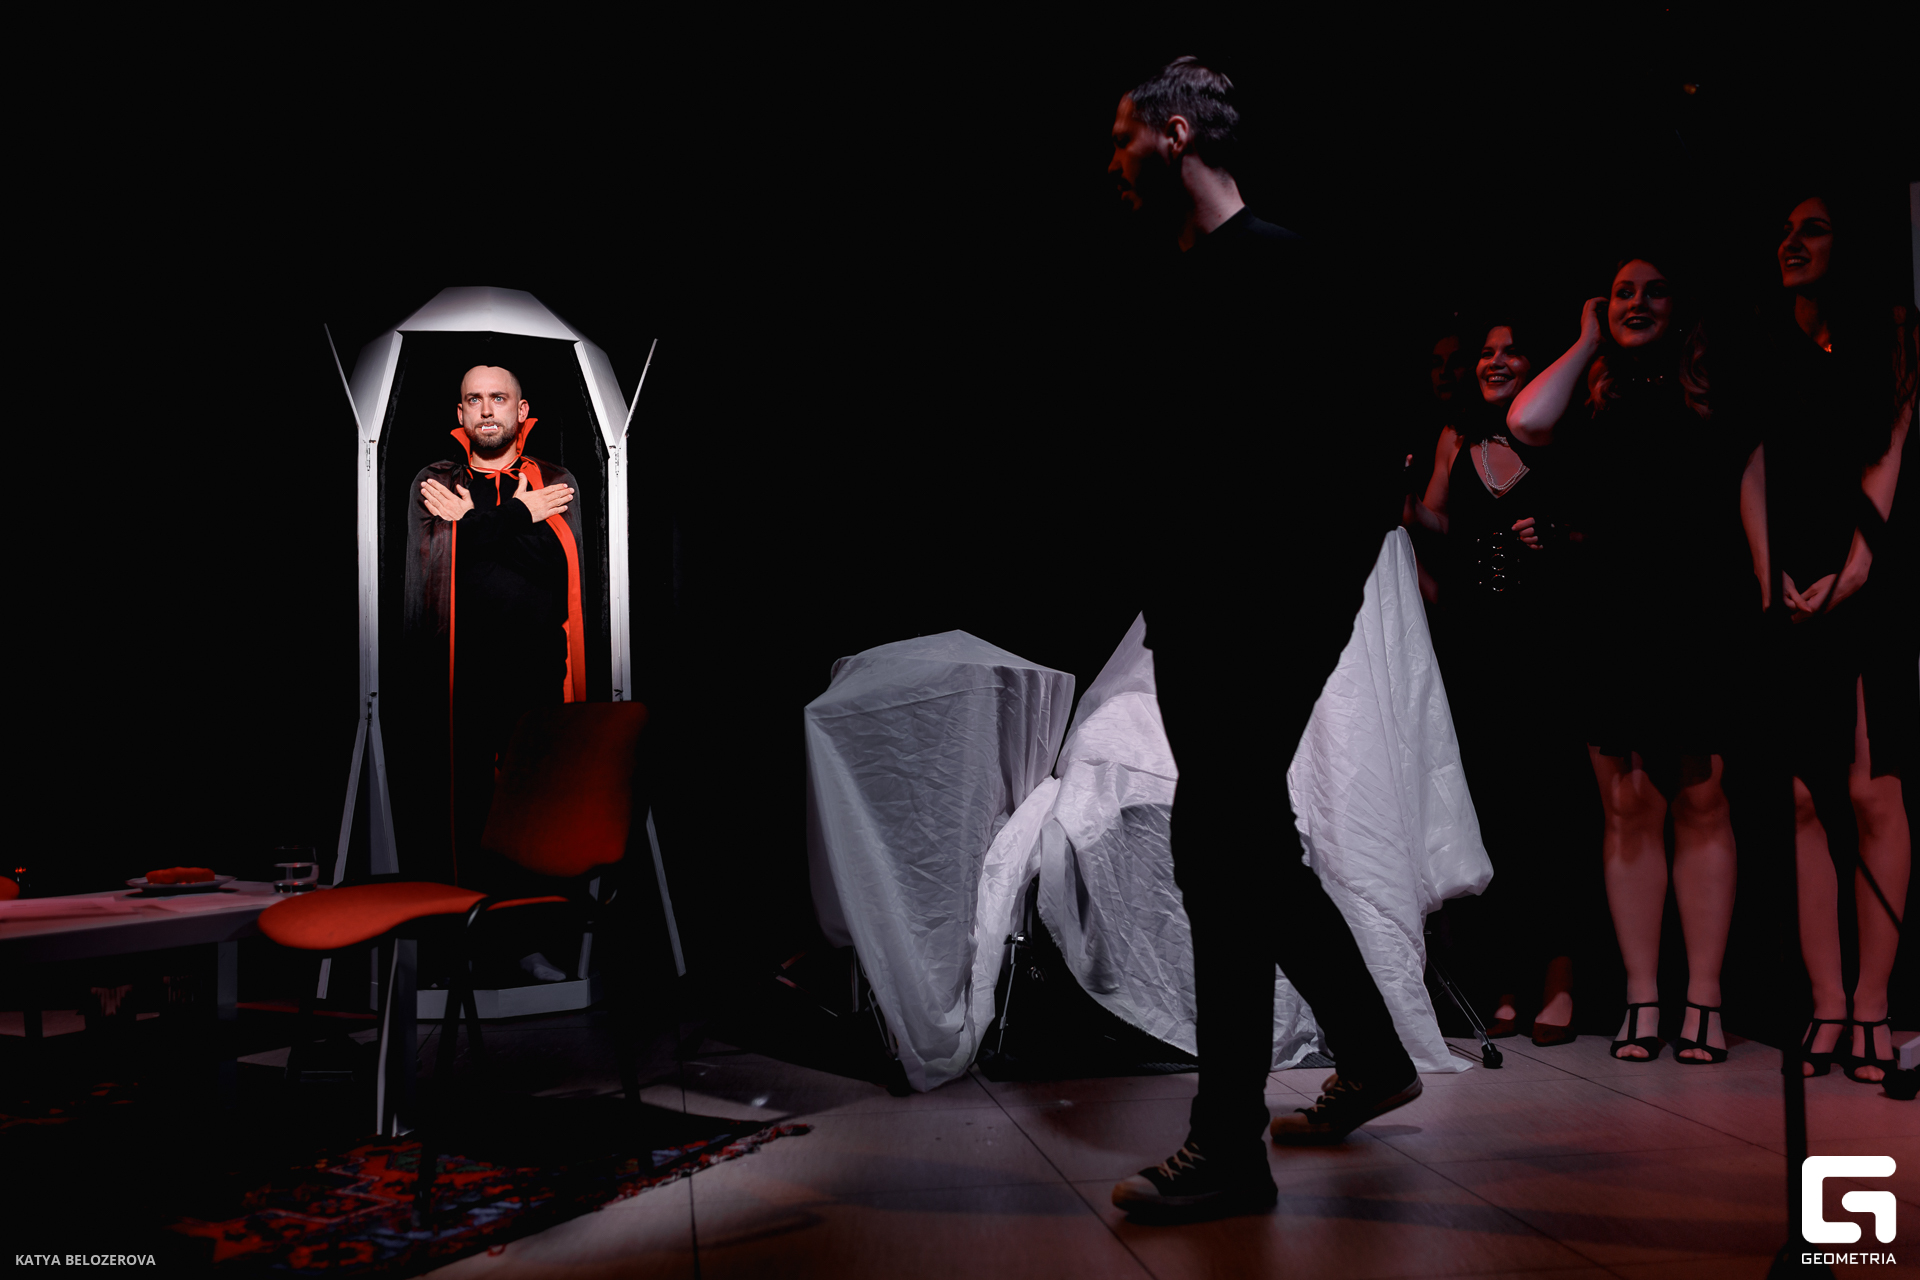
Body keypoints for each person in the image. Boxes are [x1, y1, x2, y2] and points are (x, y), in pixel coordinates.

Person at [1102, 56, 1420, 1222]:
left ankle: (1228, 1144)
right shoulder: (1176, 281)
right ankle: (1371, 1054)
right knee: (1244, 848)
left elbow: (1367, 461)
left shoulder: (1282, 266)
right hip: (1199, 620)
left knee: (1221, 849)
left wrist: (1299, 614)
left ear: (1177, 134)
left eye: (1124, 136)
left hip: (1260, 623)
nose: (1112, 161)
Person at [1508, 256, 1751, 1064]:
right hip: (1607, 614)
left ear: (1681, 305)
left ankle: (1704, 1000)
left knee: (1702, 800)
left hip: (1696, 610)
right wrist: (1585, 340)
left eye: (1653, 290)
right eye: (1621, 293)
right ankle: (1642, 999)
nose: (1637, 303)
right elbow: (1525, 421)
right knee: (1628, 805)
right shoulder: (1591, 395)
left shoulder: (1710, 393)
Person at [1743, 194, 1915, 1082]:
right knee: (1806, 798)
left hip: (1869, 575)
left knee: (1873, 792)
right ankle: (1828, 1003)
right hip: (1790, 581)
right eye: (1785, 230)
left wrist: (1853, 571)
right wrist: (1768, 573)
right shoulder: (1768, 344)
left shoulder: (1892, 336)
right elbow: (1752, 466)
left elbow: (1888, 453)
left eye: (1812, 228)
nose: (1792, 242)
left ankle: (1876, 1003)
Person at [1408, 319, 1590, 1047]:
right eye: (1486, 353)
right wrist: (1400, 503)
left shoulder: (1560, 430)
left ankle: (1562, 978)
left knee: (1554, 808)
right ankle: (1509, 978)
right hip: (1477, 646)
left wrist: (1558, 536)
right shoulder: (1457, 435)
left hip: (1547, 638)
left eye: (1511, 350)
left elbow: (1593, 524)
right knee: (1496, 811)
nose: (1495, 361)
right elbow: (1435, 520)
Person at [406, 364, 586, 982]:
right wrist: (517, 517)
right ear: (460, 413)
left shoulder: (553, 481)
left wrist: (476, 524)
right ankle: (460, 947)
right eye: (474, 399)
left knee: (534, 816)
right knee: (461, 813)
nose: (487, 410)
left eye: (498, 398)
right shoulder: (436, 480)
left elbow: (554, 564)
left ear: (520, 409)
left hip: (537, 678)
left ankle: (528, 945)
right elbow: (441, 559)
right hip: (456, 677)